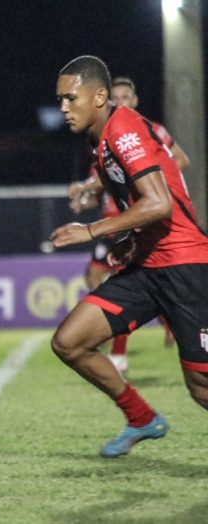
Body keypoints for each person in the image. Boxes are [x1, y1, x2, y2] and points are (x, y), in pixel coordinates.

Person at [51, 55, 208, 458]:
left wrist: (92, 230)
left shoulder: (124, 129)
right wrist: (120, 228)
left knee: (201, 387)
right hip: (148, 264)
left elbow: (159, 204)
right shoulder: (98, 140)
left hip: (184, 264)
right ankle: (142, 418)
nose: (63, 108)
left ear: (99, 96)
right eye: (61, 100)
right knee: (70, 342)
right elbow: (129, 191)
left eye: (71, 98)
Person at [68, 76, 186, 372]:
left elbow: (179, 159)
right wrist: (87, 195)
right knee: (96, 276)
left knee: (124, 278)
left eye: (125, 97)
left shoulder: (148, 130)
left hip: (138, 218)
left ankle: (119, 353)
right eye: (115, 98)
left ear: (135, 101)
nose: (120, 103)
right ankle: (164, 319)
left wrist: (155, 179)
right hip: (115, 218)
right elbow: (106, 183)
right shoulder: (102, 137)